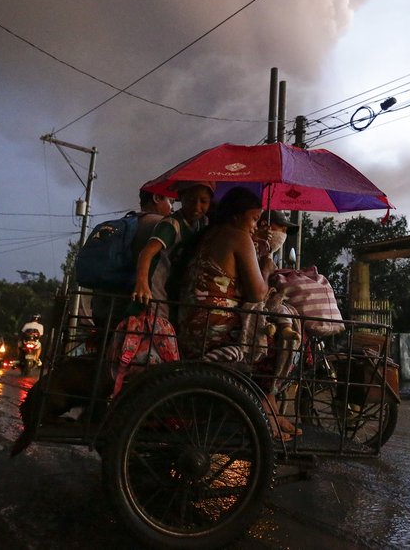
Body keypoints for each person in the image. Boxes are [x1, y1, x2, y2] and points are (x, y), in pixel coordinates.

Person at [175, 188, 297, 440]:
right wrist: (265, 268)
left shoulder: (208, 235)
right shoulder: (237, 237)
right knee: (276, 345)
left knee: (268, 337)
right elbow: (257, 293)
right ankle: (267, 414)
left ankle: (271, 410)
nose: (255, 227)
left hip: (192, 327)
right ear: (235, 217)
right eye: (253, 219)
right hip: (214, 332)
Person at [91, 188, 174, 329]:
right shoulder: (161, 226)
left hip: (104, 310)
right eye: (170, 201)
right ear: (156, 198)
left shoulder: (126, 223)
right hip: (135, 313)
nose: (172, 209)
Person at [132, 181, 214, 313]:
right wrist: (142, 284)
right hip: (155, 288)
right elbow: (146, 253)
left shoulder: (202, 223)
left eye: (203, 201)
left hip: (173, 289)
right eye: (191, 200)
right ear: (181, 198)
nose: (197, 207)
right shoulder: (171, 225)